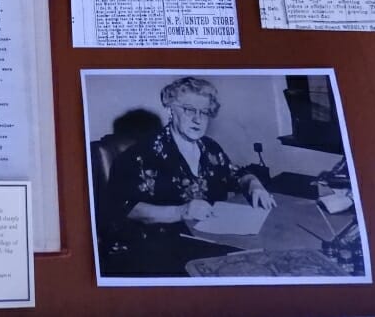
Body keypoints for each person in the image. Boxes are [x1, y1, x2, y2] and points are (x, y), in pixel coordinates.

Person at [99, 76, 276, 274]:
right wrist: (181, 211)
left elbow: (235, 174)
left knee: (267, 260)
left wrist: (254, 184)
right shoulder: (140, 155)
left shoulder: (210, 148)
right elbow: (124, 208)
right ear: (170, 109)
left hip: (211, 239)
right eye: (189, 110)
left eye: (204, 112)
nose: (197, 119)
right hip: (160, 250)